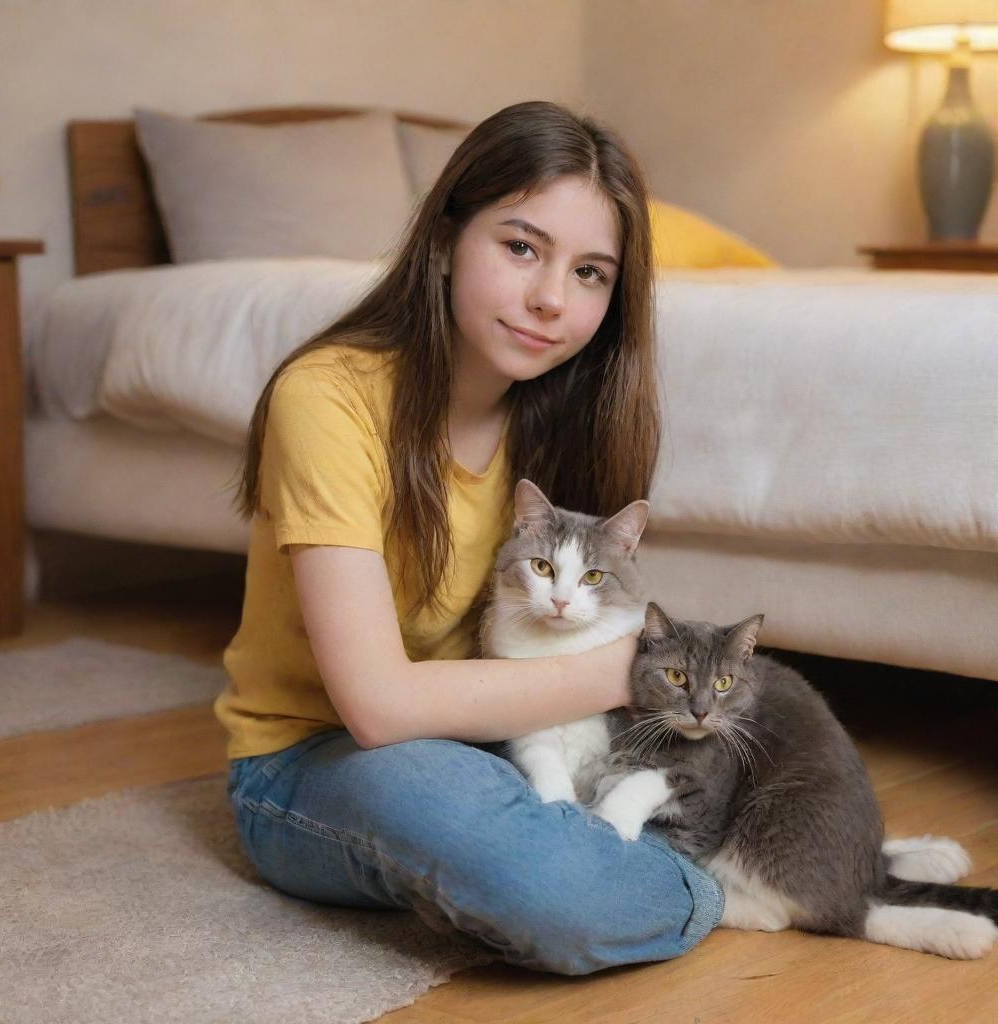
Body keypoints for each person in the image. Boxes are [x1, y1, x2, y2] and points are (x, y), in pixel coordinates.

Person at [215, 100, 724, 976]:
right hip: (318, 755)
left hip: (492, 735)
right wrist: (621, 675)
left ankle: (702, 857)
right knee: (550, 886)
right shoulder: (328, 397)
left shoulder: (564, 416)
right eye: (521, 247)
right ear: (448, 237)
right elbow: (376, 706)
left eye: (592, 272)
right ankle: (704, 888)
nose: (550, 300)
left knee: (712, 755)